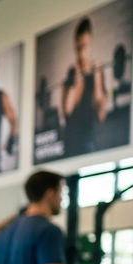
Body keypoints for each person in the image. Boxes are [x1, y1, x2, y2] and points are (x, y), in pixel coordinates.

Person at [61, 17, 109, 158]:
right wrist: (78, 80)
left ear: (91, 42)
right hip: (71, 143)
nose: (81, 53)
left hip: (91, 141)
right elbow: (67, 112)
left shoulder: (98, 71)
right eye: (78, 48)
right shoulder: (71, 74)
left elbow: (101, 114)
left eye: (84, 47)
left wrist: (97, 79)